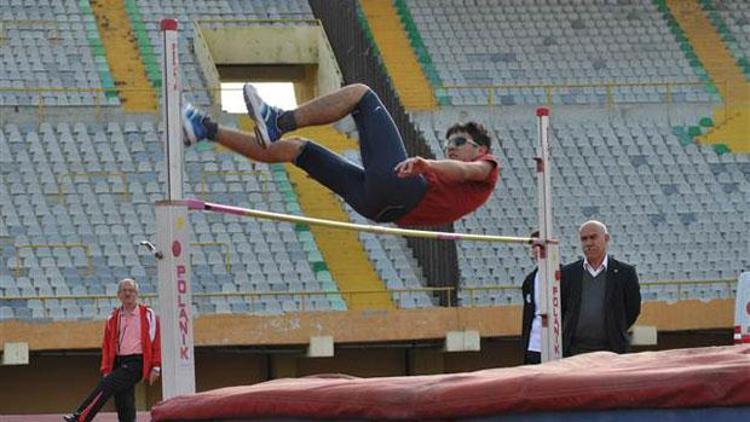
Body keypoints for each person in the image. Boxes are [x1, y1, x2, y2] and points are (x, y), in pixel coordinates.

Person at [181, 83, 500, 227]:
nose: (452, 147)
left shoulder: (486, 167)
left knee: (362, 94)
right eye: (448, 144)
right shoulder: (456, 176)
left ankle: (278, 120)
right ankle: (205, 129)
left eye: (459, 141)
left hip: (401, 191)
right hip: (377, 207)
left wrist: (427, 163)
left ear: (480, 149)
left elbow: (464, 172)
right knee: (297, 150)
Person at [65, 278, 161, 422]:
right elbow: (107, 346)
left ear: (137, 294)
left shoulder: (148, 314)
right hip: (118, 361)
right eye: (124, 291)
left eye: (131, 290)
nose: (128, 294)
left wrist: (156, 366)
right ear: (119, 295)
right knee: (124, 402)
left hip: (137, 361)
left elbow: (156, 340)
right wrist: (106, 369)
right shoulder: (113, 318)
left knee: (106, 385)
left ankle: (80, 417)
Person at [561, 220, 641, 357]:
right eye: (584, 239)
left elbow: (632, 309)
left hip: (612, 350)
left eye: (593, 237)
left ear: (606, 238)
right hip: (575, 351)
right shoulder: (568, 273)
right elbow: (562, 309)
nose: (588, 243)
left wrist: (615, 328)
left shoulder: (625, 273)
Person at [520, 230, 542, 364]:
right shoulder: (529, 280)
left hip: (557, 343)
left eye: (538, 245)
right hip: (534, 344)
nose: (535, 249)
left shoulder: (564, 274)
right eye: (533, 246)